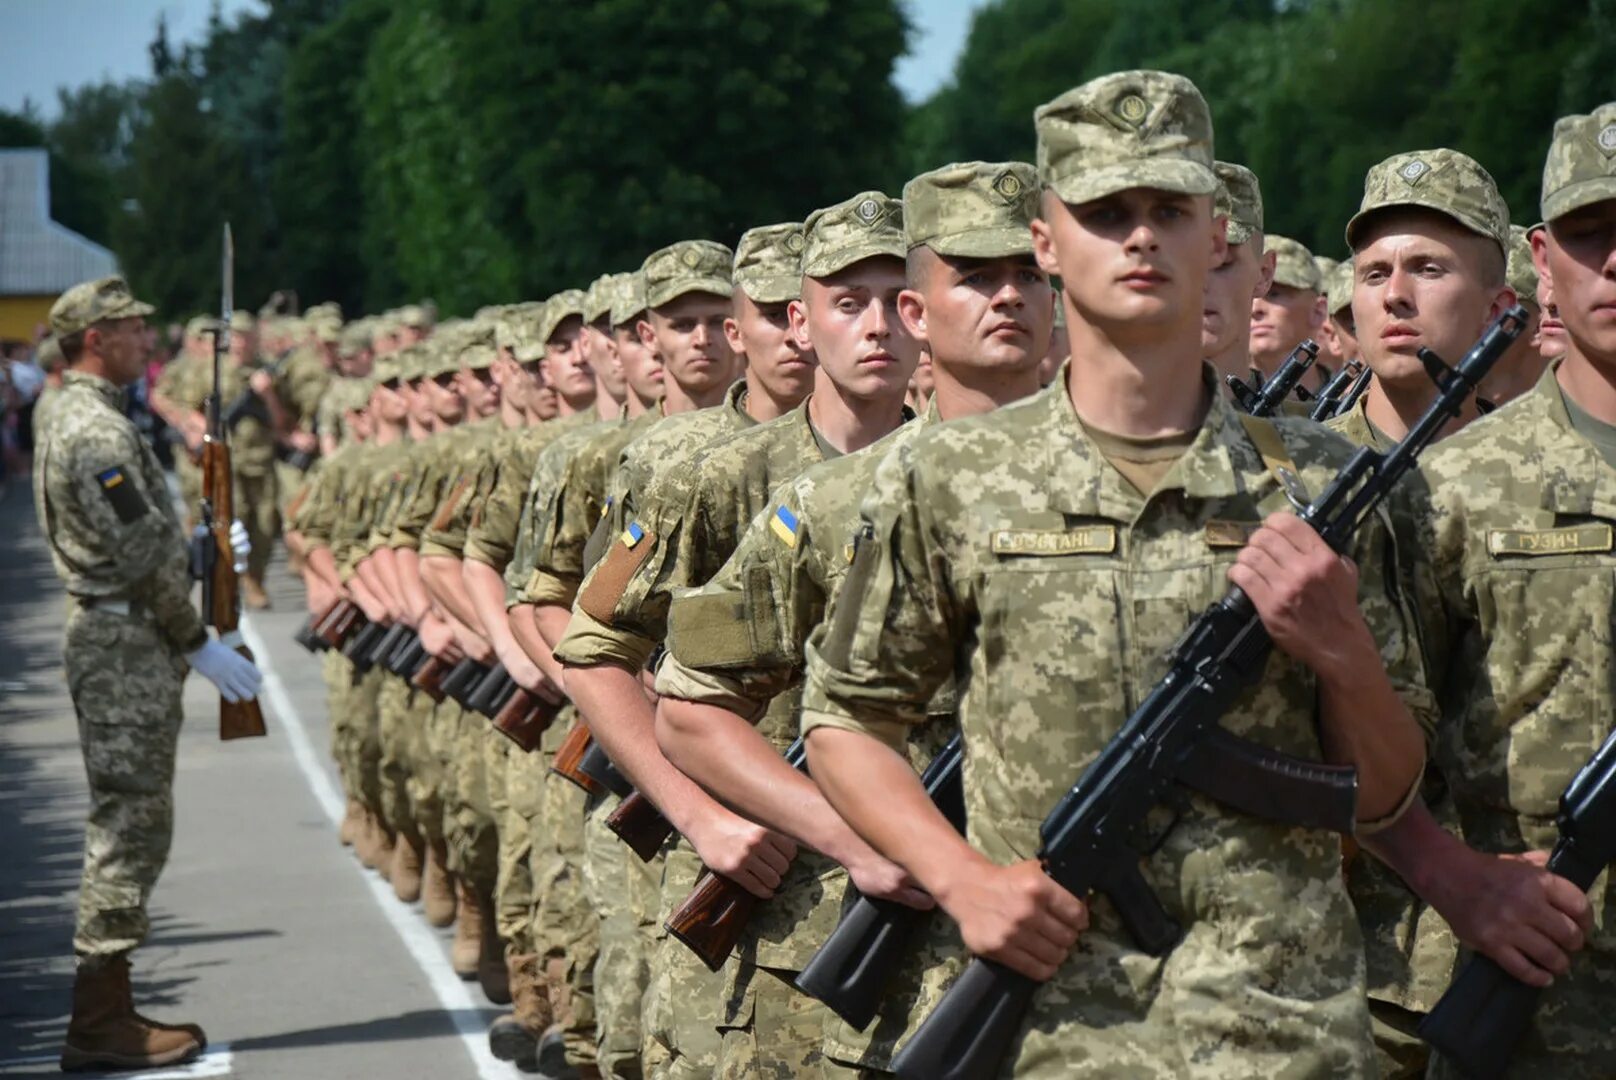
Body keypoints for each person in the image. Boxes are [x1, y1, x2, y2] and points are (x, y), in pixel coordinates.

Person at [801, 70, 1434, 1077]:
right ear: (1046, 242)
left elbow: (1388, 793)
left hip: (1283, 1031)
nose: (1138, 236)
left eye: (1166, 210)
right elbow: (843, 721)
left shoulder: (1320, 483)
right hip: (1059, 1031)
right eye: (1104, 212)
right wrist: (961, 881)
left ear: (1215, 238)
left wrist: (1342, 650)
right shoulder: (952, 477)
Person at [653, 159, 1053, 1074]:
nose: (1007, 298)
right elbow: (688, 706)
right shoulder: (831, 507)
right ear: (924, 311)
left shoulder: (1152, 493)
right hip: (903, 961)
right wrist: (854, 838)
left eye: (1027, 274)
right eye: (974, 275)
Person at [1368, 101, 1616, 1080]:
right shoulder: (1452, 487)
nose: (1615, 266)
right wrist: (1448, 877)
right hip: (1533, 994)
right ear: (1542, 257)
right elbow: (1367, 738)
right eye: (1593, 238)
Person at [36, 276, 261, 1072]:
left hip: (122, 633)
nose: (147, 340)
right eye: (134, 328)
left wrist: (197, 554)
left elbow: (139, 538)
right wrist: (197, 637)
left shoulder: (78, 412)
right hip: (124, 641)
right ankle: (98, 1019)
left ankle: (112, 1002)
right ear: (96, 339)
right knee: (130, 825)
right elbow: (134, 550)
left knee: (131, 819)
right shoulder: (94, 433)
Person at [1201, 161, 1276, 389]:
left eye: (1222, 263)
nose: (1200, 281)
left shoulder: (1307, 424)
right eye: (1184, 261)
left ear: (1264, 274)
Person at [1248, 232, 1328, 389]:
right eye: (1250, 294)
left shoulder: (1350, 402)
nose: (1255, 309)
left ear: (1318, 311)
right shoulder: (1217, 400)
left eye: (1274, 294)